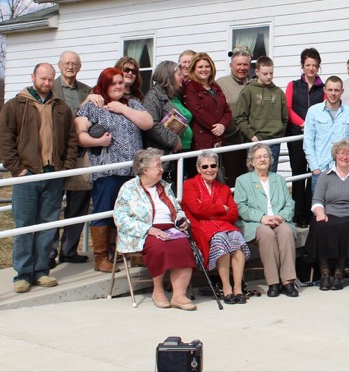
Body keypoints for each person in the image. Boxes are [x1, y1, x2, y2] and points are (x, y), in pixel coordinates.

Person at [0, 62, 78, 293]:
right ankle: (23, 273)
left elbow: (71, 140)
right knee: (24, 225)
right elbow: (4, 140)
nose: (46, 83)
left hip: (53, 175)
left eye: (50, 79)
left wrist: (67, 166)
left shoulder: (61, 107)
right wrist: (17, 169)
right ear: (33, 77)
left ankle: (42, 270)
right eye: (42, 78)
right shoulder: (15, 105)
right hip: (28, 175)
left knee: (48, 225)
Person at [76, 67, 152, 273]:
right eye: (113, 83)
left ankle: (133, 253)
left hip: (132, 170)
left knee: (133, 211)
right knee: (104, 211)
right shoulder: (92, 105)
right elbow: (79, 134)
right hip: (106, 169)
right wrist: (97, 141)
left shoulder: (132, 103)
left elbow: (148, 123)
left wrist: (123, 108)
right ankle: (101, 257)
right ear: (104, 85)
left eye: (120, 82)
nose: (118, 86)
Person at [114, 148, 196, 310]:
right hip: (143, 231)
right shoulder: (129, 188)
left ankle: (179, 295)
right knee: (159, 246)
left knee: (183, 245)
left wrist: (182, 220)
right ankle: (157, 290)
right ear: (145, 170)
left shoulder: (164, 186)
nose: (162, 169)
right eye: (158, 166)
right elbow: (120, 218)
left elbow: (177, 209)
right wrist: (148, 230)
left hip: (170, 228)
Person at [182, 150, 250, 304]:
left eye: (213, 166)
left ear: (218, 167)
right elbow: (196, 210)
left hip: (224, 225)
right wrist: (221, 208)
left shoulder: (223, 188)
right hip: (201, 227)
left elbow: (233, 213)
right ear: (198, 168)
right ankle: (226, 288)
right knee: (221, 239)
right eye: (205, 167)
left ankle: (238, 288)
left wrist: (209, 210)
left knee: (236, 237)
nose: (209, 170)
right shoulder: (190, 185)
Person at [234, 144, 299, 298]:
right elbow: (241, 207)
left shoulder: (279, 179)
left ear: (270, 160)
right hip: (255, 223)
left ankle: (288, 281)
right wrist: (262, 218)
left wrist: (281, 217)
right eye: (259, 157)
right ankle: (273, 282)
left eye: (266, 156)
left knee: (286, 231)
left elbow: (290, 204)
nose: (263, 159)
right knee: (266, 234)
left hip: (278, 220)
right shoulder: (243, 180)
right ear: (252, 161)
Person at [306, 139, 349, 291]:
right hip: (329, 213)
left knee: (344, 227)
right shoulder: (325, 175)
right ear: (335, 155)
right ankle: (324, 273)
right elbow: (317, 200)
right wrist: (320, 213)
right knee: (319, 225)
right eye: (341, 153)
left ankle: (339, 274)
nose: (345, 157)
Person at [51, 51, 91, 265]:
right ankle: (49, 253)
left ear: (79, 66)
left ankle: (69, 250)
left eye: (74, 63)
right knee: (53, 205)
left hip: (80, 155)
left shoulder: (87, 91)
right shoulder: (51, 89)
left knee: (78, 205)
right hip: (56, 156)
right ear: (59, 65)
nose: (70, 66)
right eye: (67, 63)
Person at [286, 48, 325, 227]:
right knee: (298, 174)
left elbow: (325, 109)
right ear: (302, 66)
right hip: (296, 135)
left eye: (314, 65)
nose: (311, 68)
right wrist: (303, 123)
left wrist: (311, 126)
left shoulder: (323, 88)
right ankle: (298, 214)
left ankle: (311, 212)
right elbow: (287, 108)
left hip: (317, 136)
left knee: (314, 173)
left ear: (318, 67)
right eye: (307, 65)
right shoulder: (293, 85)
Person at [303, 75, 349, 194]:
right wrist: (315, 168)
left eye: (336, 90)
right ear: (324, 90)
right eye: (330, 90)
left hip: (344, 169)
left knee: (343, 206)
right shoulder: (314, 111)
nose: (333, 93)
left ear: (342, 91)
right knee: (319, 208)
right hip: (321, 169)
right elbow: (308, 141)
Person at [234, 56, 288, 172]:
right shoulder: (248, 90)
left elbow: (285, 118)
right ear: (257, 72)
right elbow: (239, 117)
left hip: (274, 142)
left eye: (271, 73)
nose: (269, 77)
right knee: (255, 177)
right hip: (254, 141)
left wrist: (279, 134)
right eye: (265, 73)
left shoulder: (278, 92)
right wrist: (252, 136)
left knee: (271, 177)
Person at [182, 53, 231, 178]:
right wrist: (216, 126)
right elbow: (197, 111)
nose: (204, 70)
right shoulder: (190, 87)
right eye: (200, 67)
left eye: (207, 66)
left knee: (216, 178)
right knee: (201, 177)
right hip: (200, 141)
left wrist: (223, 125)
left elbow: (227, 110)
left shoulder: (215, 87)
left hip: (217, 140)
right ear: (193, 69)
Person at [143, 60, 190, 183]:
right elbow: (152, 126)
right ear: (168, 75)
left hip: (171, 155)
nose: (182, 78)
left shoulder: (170, 95)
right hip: (160, 157)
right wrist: (174, 141)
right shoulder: (153, 96)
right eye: (179, 75)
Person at [217, 46, 253, 188]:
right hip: (230, 140)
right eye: (238, 64)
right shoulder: (221, 83)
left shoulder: (255, 83)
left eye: (245, 64)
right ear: (231, 65)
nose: (242, 68)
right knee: (232, 180)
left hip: (251, 140)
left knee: (251, 179)